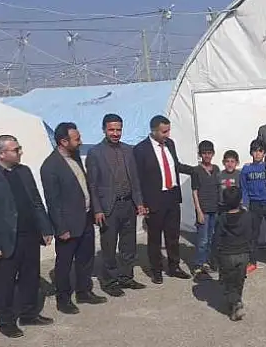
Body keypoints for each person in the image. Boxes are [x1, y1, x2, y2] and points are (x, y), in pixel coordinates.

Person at [0, 135, 54, 339]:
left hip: (29, 236)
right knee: (5, 284)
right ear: (2, 153)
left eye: (19, 148)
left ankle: (29, 313)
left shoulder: (24, 171)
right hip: (5, 241)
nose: (20, 152)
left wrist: (45, 228)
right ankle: (6, 321)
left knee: (30, 277)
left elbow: (36, 201)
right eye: (16, 150)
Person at [40, 122, 107, 315]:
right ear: (63, 141)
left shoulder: (75, 156)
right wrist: (61, 228)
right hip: (68, 225)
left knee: (86, 258)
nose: (81, 142)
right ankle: (63, 299)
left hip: (85, 218)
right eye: (77, 139)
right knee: (64, 263)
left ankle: (84, 291)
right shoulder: (50, 166)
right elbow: (53, 202)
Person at [87, 114, 148, 293]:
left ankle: (126, 277)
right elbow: (92, 185)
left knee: (129, 244)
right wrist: (97, 210)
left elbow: (135, 179)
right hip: (109, 208)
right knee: (109, 246)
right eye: (111, 129)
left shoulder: (128, 150)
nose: (115, 133)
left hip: (128, 204)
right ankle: (110, 282)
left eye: (118, 129)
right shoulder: (95, 153)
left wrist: (139, 202)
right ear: (104, 130)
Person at [133, 115, 194, 284]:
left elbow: (175, 165)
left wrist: (194, 170)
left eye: (168, 130)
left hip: (172, 196)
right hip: (154, 198)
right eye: (164, 132)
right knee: (154, 237)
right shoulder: (141, 150)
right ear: (154, 131)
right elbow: (137, 178)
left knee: (173, 235)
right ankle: (156, 270)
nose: (167, 134)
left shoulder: (170, 144)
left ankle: (174, 266)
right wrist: (141, 203)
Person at [240, 139, 266, 273]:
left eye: (260, 151)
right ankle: (252, 261)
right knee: (253, 235)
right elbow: (244, 189)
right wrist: (245, 205)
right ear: (251, 152)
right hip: (254, 205)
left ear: (264, 153)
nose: (257, 154)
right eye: (255, 151)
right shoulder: (246, 169)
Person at [212, 187, 253, 321]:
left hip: (227, 254)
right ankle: (236, 302)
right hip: (243, 253)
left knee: (228, 282)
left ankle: (236, 303)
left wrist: (214, 257)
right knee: (239, 280)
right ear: (240, 200)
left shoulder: (222, 218)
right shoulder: (247, 216)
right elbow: (251, 235)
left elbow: (217, 239)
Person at [191, 140, 220, 278]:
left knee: (212, 238)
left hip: (215, 209)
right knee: (202, 240)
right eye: (204, 153)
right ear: (200, 154)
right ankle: (198, 264)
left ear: (213, 154)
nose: (207, 156)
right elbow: (194, 191)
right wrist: (199, 211)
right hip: (203, 209)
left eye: (209, 153)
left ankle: (207, 262)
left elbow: (219, 188)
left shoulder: (216, 169)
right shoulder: (196, 171)